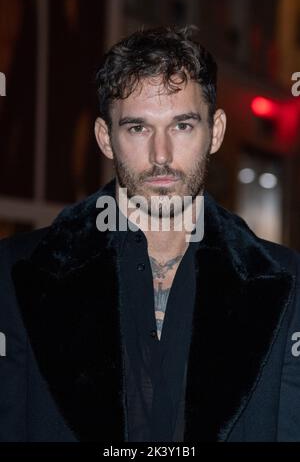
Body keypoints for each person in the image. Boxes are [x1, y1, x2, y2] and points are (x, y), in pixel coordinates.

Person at [0, 25, 299, 443]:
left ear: (216, 131)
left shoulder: (286, 281)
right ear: (106, 138)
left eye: (182, 126)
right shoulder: (14, 273)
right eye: (138, 128)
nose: (161, 156)